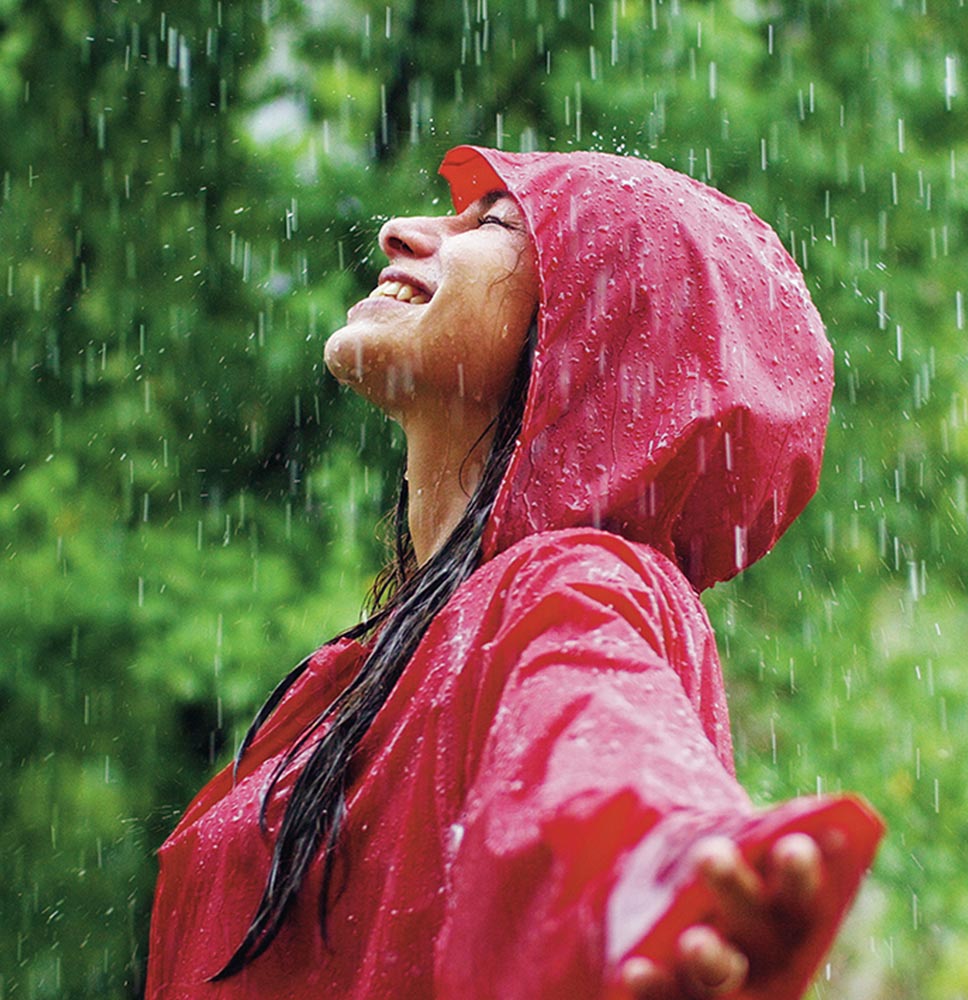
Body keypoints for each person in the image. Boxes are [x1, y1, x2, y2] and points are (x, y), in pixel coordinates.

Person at [145, 146, 884, 999]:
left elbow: (597, 750)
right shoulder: (350, 680)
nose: (398, 231)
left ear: (600, 328)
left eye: (493, 223)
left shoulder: (569, 585)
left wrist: (662, 885)